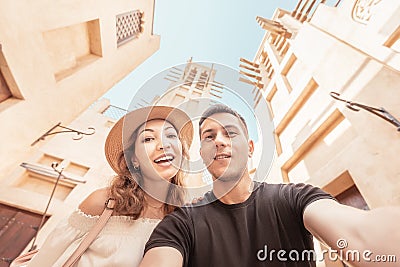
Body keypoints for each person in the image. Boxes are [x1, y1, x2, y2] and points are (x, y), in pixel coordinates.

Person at [140, 104, 400, 267]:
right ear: (202, 153)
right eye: (209, 136)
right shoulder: (182, 223)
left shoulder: (293, 198)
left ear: (250, 148)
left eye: (230, 133)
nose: (219, 141)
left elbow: (361, 235)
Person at [28, 105, 193, 267]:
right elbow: (48, 259)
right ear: (133, 160)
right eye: (148, 138)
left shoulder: (188, 216)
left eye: (171, 136)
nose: (163, 145)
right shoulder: (104, 202)